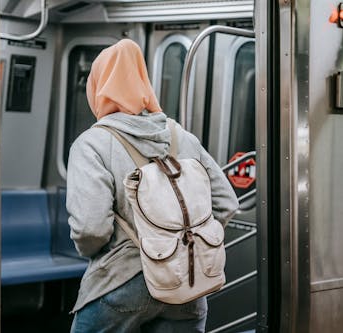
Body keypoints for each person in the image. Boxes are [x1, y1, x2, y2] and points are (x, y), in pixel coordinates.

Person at [66, 39, 239, 333]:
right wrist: (185, 241)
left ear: (98, 88)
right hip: (187, 283)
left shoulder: (91, 144)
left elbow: (90, 229)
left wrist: (108, 253)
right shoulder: (182, 137)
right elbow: (227, 203)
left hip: (121, 280)